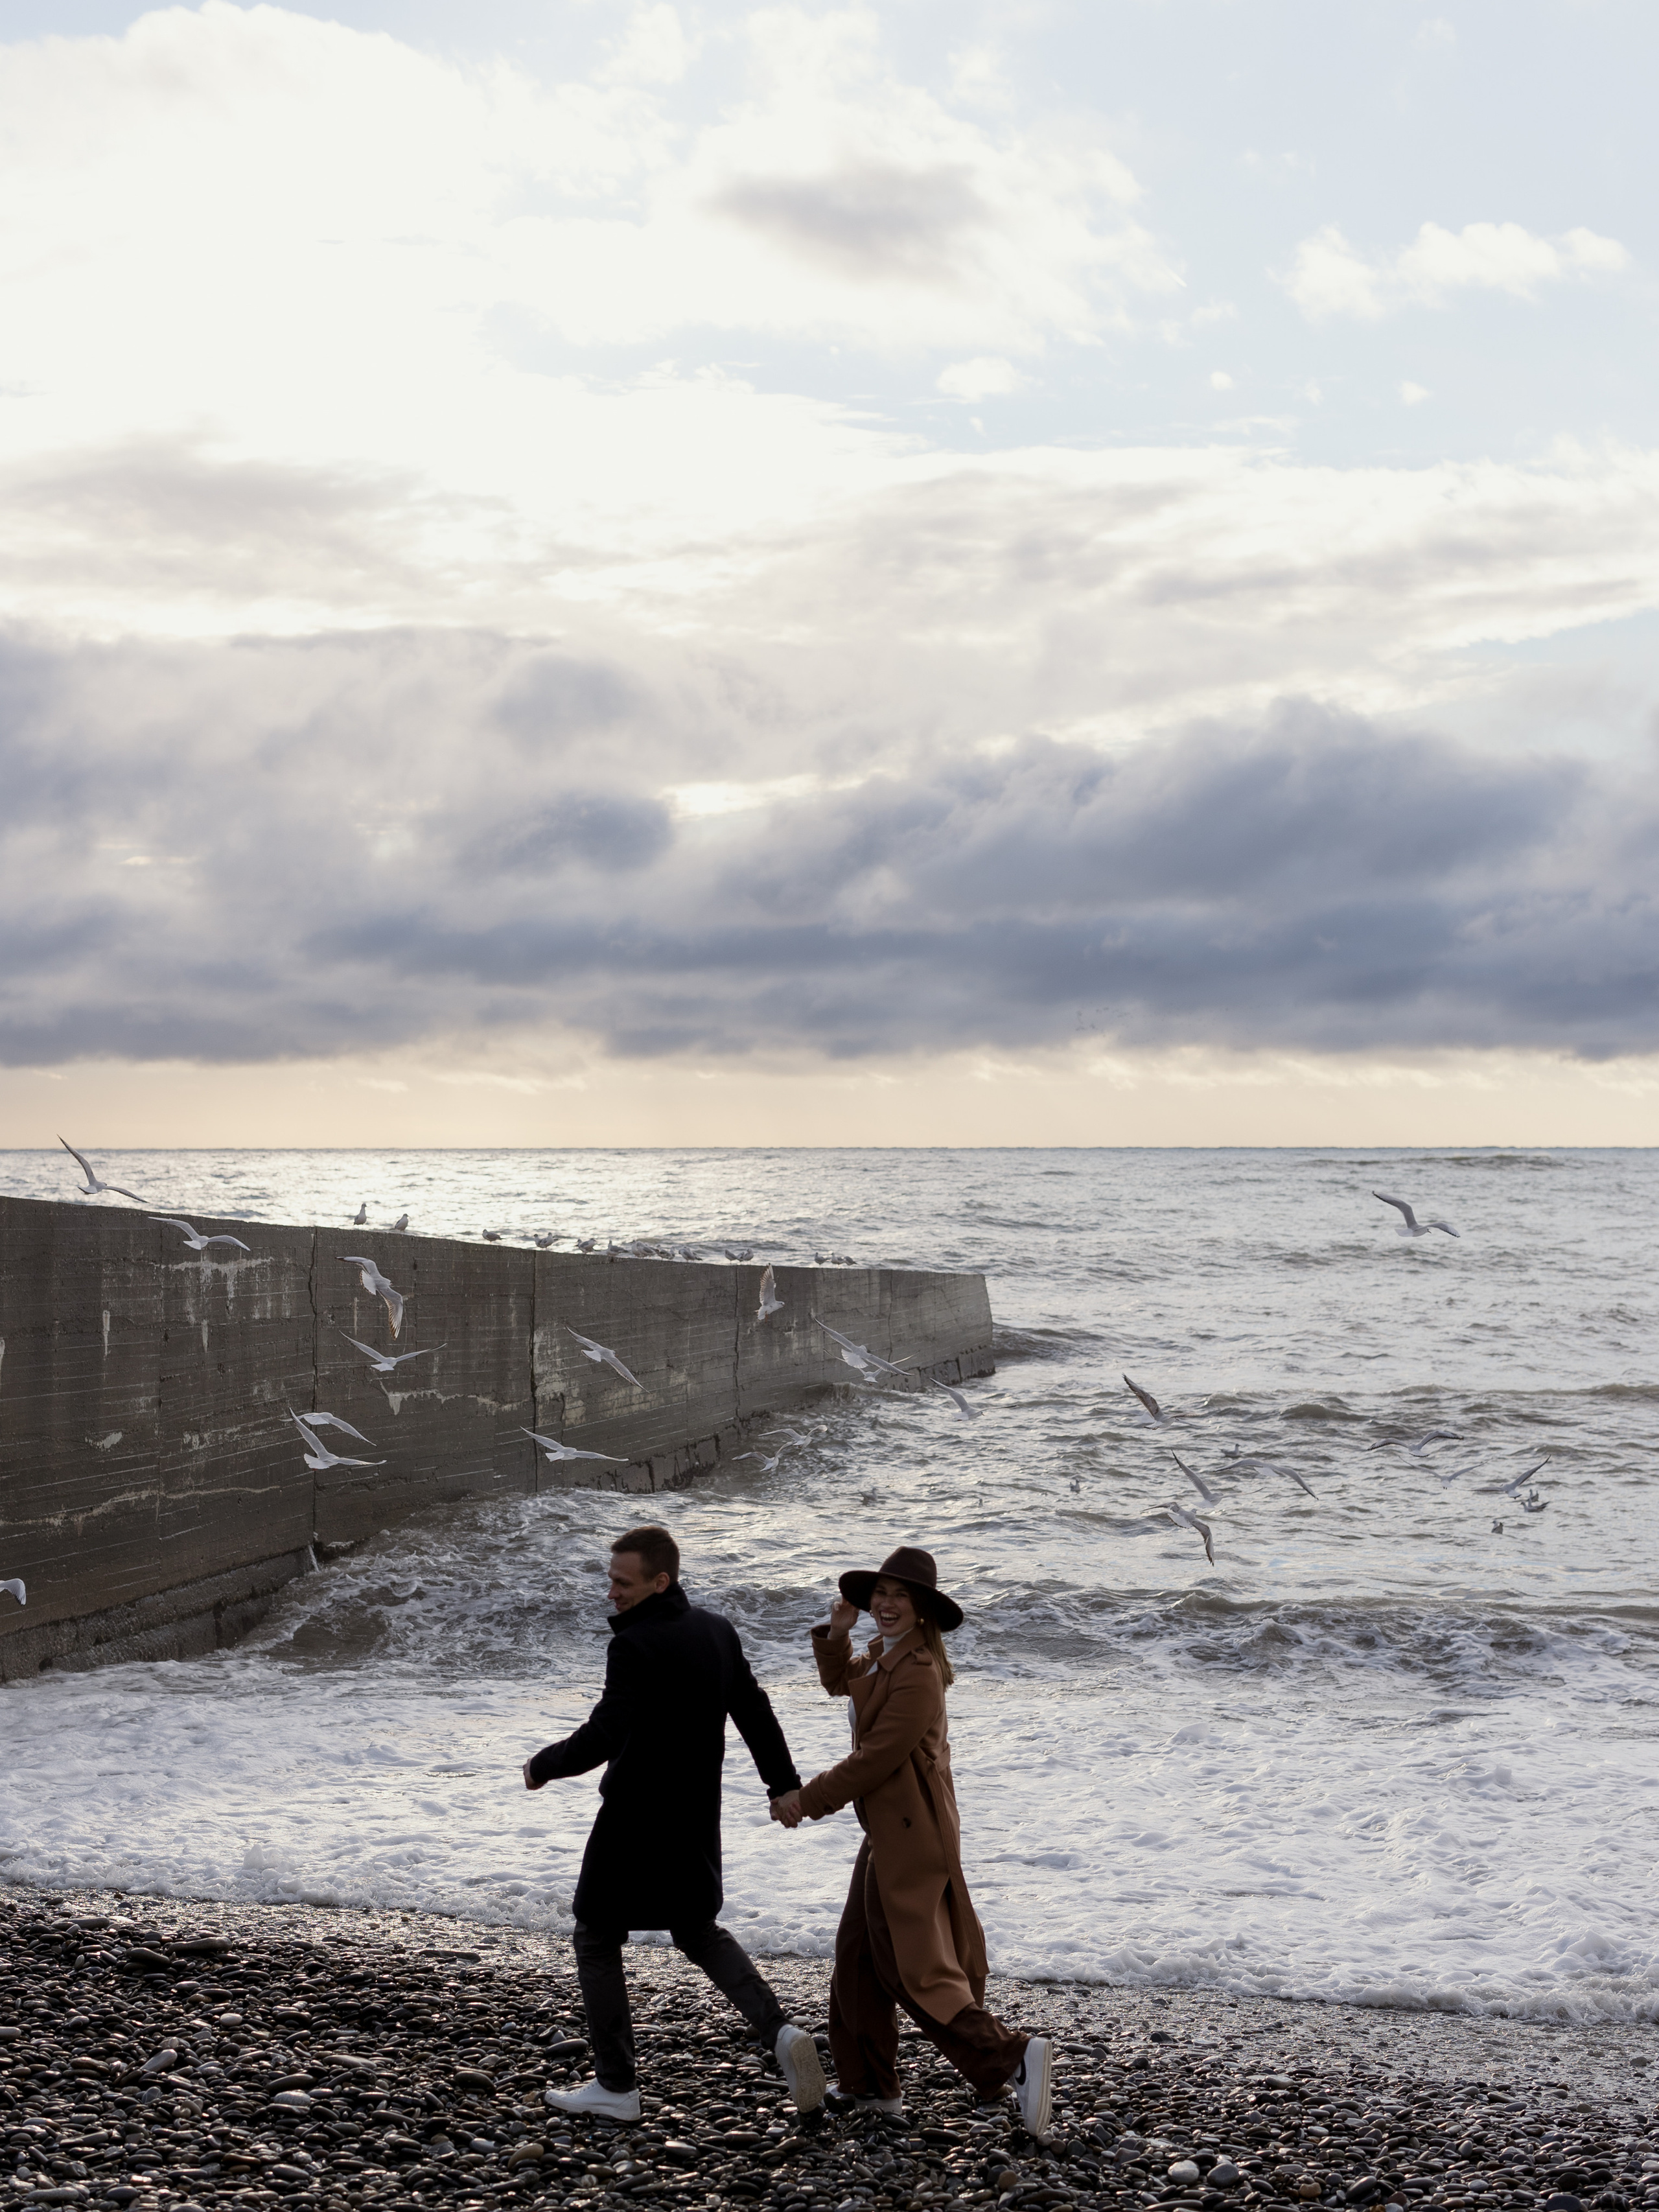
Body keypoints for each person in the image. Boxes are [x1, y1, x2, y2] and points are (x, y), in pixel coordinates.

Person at [522, 1523, 824, 2123]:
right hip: (693, 1814)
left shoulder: (633, 1645)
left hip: (633, 1818)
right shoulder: (716, 1630)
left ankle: (616, 2085)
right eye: (610, 1579)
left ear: (661, 1581)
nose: (612, 1592)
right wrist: (782, 1784)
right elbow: (754, 1710)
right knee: (697, 1927)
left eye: (623, 1582)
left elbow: (605, 1733)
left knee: (596, 1934)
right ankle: (781, 2031)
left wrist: (542, 1765)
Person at [770, 1545, 1052, 2138]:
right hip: (889, 1830)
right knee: (857, 1958)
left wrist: (806, 1798)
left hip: (914, 1833)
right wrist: (837, 1633)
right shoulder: (881, 1656)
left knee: (910, 1967)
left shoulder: (919, 1672)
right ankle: (870, 2086)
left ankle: (1009, 2055)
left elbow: (874, 1760)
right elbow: (838, 1685)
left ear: (924, 1609)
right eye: (881, 1593)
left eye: (901, 1595)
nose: (888, 1604)